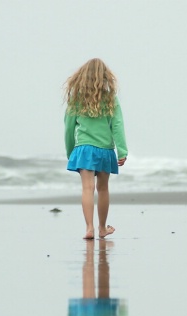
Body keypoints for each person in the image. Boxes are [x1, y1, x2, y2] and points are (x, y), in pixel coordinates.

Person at [64, 58, 128, 239]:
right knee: (103, 189)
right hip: (104, 150)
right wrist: (122, 151)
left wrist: (71, 152)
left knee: (87, 189)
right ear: (105, 77)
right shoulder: (110, 99)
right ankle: (102, 228)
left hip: (83, 149)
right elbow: (117, 125)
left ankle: (89, 228)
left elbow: (69, 128)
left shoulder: (75, 99)